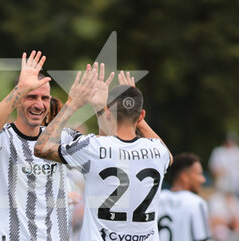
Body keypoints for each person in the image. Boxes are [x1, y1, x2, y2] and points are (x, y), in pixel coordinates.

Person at [34, 68, 173, 241]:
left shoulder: (92, 146)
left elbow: (42, 148)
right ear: (141, 115)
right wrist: (135, 111)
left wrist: (71, 104)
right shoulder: (158, 151)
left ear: (108, 113)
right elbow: (168, 155)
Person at [0, 51, 91, 241]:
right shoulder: (3, 138)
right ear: (18, 99)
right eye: (31, 96)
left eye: (44, 98)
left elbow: (106, 152)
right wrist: (20, 88)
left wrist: (100, 107)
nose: (39, 105)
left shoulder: (62, 138)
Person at [158, 153, 211, 241]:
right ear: (184, 177)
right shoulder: (197, 203)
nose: (203, 179)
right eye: (199, 174)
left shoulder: (157, 199)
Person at [209, 132, 239, 196]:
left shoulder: (237, 151)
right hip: (222, 184)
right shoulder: (218, 151)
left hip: (236, 184)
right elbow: (213, 168)